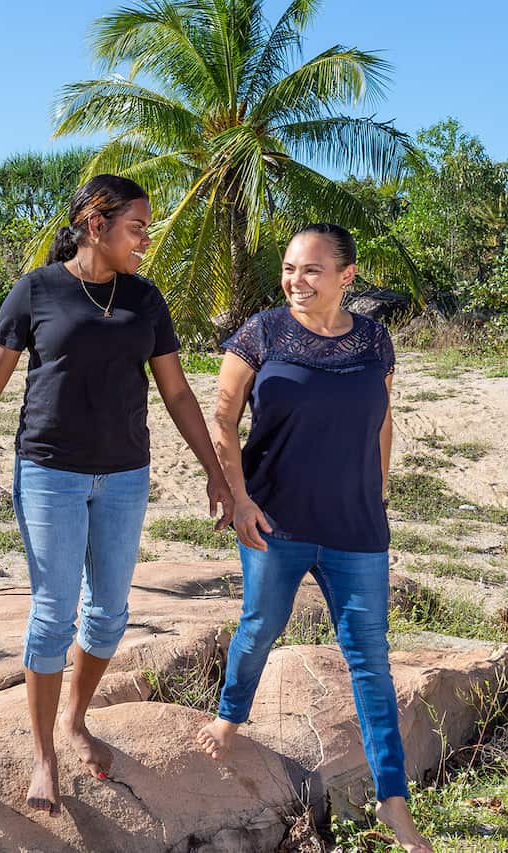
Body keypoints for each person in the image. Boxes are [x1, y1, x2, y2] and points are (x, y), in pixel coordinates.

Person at [0, 174, 234, 816]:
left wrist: (215, 471)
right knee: (53, 612)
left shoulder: (145, 300)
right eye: (137, 227)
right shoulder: (36, 290)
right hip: (49, 472)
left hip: (124, 475)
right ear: (96, 223)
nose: (146, 239)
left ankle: (75, 719)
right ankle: (43, 755)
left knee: (109, 614)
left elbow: (177, 392)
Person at [193, 223, 433, 853]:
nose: (295, 282)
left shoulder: (375, 339)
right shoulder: (263, 332)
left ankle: (392, 801)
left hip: (356, 528)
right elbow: (221, 415)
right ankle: (231, 716)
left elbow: (382, 419)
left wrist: (377, 494)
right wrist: (239, 499)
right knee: (260, 627)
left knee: (371, 661)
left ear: (346, 277)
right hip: (276, 519)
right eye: (289, 269)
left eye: (311, 271)